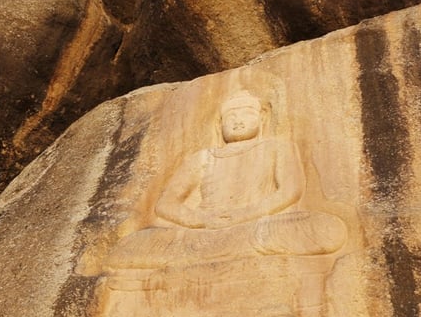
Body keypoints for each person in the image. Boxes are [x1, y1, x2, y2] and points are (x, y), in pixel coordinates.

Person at [105, 90, 346, 269]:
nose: (238, 120)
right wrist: (201, 220)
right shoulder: (202, 157)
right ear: (220, 124)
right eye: (231, 116)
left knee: (325, 229)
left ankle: (218, 253)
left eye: (246, 114)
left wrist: (247, 214)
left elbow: (290, 191)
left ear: (262, 120)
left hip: (256, 225)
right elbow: (166, 204)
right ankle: (226, 252)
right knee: (130, 246)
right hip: (202, 232)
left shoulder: (277, 147)